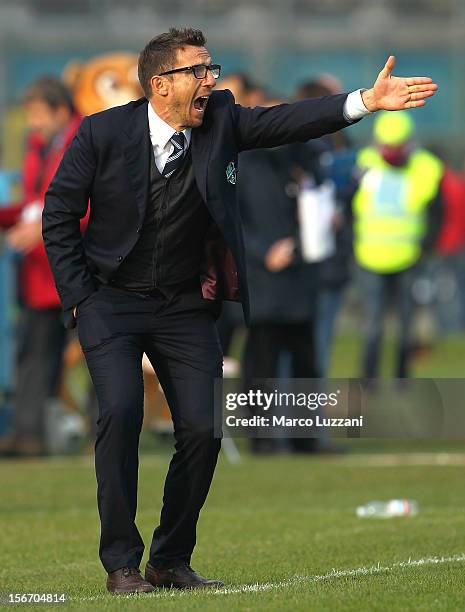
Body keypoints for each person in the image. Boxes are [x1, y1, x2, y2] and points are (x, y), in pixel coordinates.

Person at [42, 27, 438, 593]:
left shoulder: (222, 119)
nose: (211, 80)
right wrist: (80, 295)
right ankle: (122, 564)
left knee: (204, 429)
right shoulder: (101, 132)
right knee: (121, 413)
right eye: (197, 71)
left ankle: (169, 559)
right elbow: (58, 216)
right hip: (110, 301)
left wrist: (365, 103)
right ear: (161, 84)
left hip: (183, 305)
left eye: (212, 68)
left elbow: (285, 122)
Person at [0, 77, 81, 457]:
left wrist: (41, 227)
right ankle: (29, 435)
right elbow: (34, 201)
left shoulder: (88, 139)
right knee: (33, 353)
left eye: (37, 114)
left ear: (61, 111)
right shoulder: (37, 145)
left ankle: (106, 442)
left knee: (102, 356)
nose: (32, 122)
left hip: (82, 269)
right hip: (39, 273)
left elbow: (93, 201)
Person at [353, 111, 444, 379]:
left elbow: (437, 212)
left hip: (409, 257)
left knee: (406, 323)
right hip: (369, 256)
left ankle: (401, 378)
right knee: (372, 326)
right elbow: (349, 208)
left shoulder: (427, 167)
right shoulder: (365, 163)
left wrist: (426, 247)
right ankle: (368, 378)